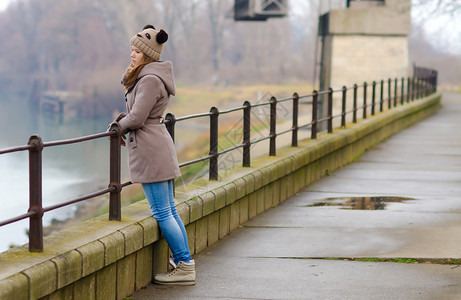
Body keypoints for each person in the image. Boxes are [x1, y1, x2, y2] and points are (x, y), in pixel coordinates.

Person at [110, 24, 195, 286]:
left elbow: (138, 117)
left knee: (162, 212)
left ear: (147, 54)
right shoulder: (148, 76)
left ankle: (184, 265)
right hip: (155, 147)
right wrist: (124, 120)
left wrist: (118, 126)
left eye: (137, 51)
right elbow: (138, 113)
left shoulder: (149, 79)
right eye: (132, 49)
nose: (132, 54)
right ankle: (184, 262)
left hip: (151, 151)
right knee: (168, 209)